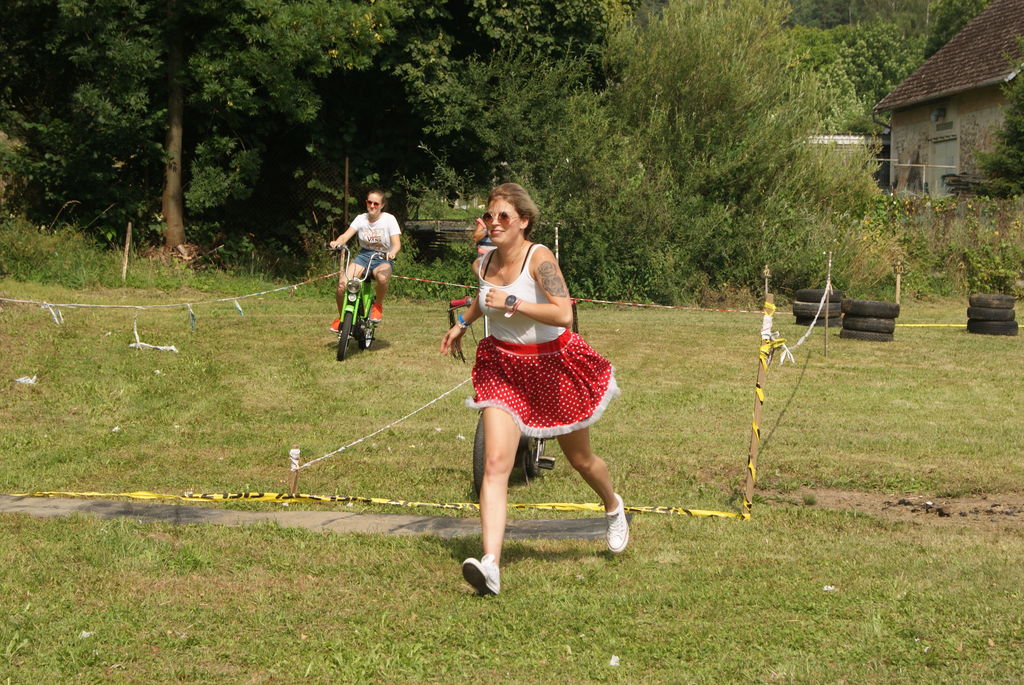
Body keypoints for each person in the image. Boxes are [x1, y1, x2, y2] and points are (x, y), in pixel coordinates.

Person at [440, 183, 628, 596]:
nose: (494, 223)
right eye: (489, 216)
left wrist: (514, 303)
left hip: (552, 366)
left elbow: (562, 314)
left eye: (503, 216)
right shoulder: (483, 262)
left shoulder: (539, 258)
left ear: (523, 221)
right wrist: (463, 324)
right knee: (495, 465)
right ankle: (491, 564)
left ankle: (612, 505)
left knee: (580, 459)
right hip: (503, 367)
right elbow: (484, 298)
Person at [328, 189, 401, 329]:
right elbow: (345, 236)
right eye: (369, 202)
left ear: (382, 205)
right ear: (366, 203)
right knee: (342, 285)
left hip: (383, 257)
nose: (372, 206)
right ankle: (341, 318)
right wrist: (337, 242)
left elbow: (396, 244)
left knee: (382, 278)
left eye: (376, 203)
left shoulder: (389, 219)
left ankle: (377, 305)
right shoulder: (361, 218)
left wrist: (392, 253)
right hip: (364, 256)